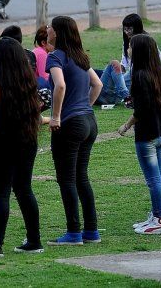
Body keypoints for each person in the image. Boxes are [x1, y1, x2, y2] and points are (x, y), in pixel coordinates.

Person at [0, 37, 43, 257]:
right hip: (26, 141)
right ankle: (34, 240)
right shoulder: (27, 78)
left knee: (1, 193)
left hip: (2, 142)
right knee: (24, 189)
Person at [45, 16, 103, 245]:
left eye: (50, 26)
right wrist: (85, 106)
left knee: (67, 179)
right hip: (89, 122)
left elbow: (60, 85)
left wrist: (56, 116)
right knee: (81, 178)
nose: (47, 29)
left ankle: (73, 233)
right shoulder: (81, 57)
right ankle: (92, 232)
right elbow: (97, 84)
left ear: (57, 33)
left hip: (70, 124)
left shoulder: (55, 56)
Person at [118, 34, 161, 235]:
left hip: (147, 136)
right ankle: (157, 215)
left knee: (153, 180)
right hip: (160, 133)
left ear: (138, 51)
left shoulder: (139, 75)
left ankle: (159, 220)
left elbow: (141, 110)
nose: (128, 50)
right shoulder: (157, 73)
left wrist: (125, 126)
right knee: (159, 178)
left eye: (130, 47)